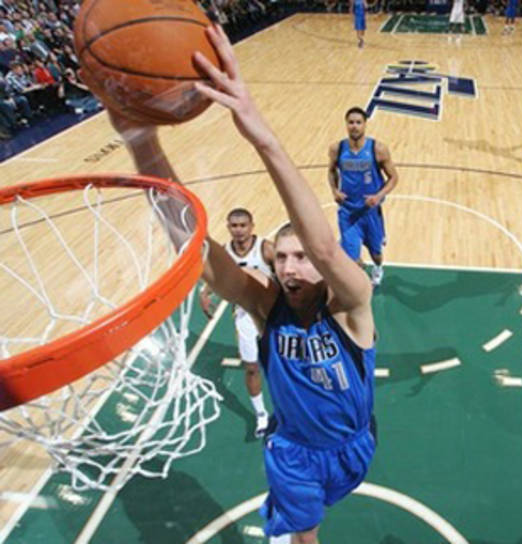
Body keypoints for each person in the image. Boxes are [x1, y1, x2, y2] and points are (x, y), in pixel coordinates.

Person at [104, 23, 377, 544]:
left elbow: (325, 247)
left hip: (354, 446)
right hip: (294, 451)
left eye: (302, 258)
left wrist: (260, 134)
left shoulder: (352, 305)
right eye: (284, 258)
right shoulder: (267, 304)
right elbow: (196, 248)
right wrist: (142, 142)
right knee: (303, 537)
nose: (291, 268)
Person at [200, 208, 275, 438]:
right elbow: (217, 276)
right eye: (234, 226)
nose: (239, 230)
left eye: (243, 225)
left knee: (288, 363)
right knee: (251, 367)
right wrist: (205, 292)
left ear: (252, 226)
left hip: (273, 312)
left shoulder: (266, 249)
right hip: (244, 314)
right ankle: (261, 415)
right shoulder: (224, 253)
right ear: (228, 227)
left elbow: (286, 271)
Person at [327, 107, 399, 287]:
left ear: (365, 125)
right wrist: (335, 191)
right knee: (350, 259)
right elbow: (331, 171)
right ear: (346, 124)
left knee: (376, 253)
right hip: (348, 212)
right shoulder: (337, 148)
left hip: (369, 211)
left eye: (358, 122)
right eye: (351, 122)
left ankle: (377, 267)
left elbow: (393, 178)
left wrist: (378, 196)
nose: (354, 126)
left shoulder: (378, 149)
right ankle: (357, 268)